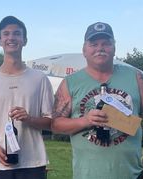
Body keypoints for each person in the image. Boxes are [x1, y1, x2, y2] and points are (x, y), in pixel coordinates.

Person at [51, 22, 143, 179]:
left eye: (106, 43)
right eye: (94, 44)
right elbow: (55, 125)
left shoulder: (135, 77)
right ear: (84, 50)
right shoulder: (71, 82)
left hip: (131, 174)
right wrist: (86, 121)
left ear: (114, 48)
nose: (100, 48)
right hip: (87, 175)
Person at [0, 16, 54, 179]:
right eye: (6, 34)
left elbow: (50, 122)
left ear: (24, 40)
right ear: (0, 40)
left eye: (16, 33)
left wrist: (29, 119)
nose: (11, 37)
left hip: (33, 163)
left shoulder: (39, 79)